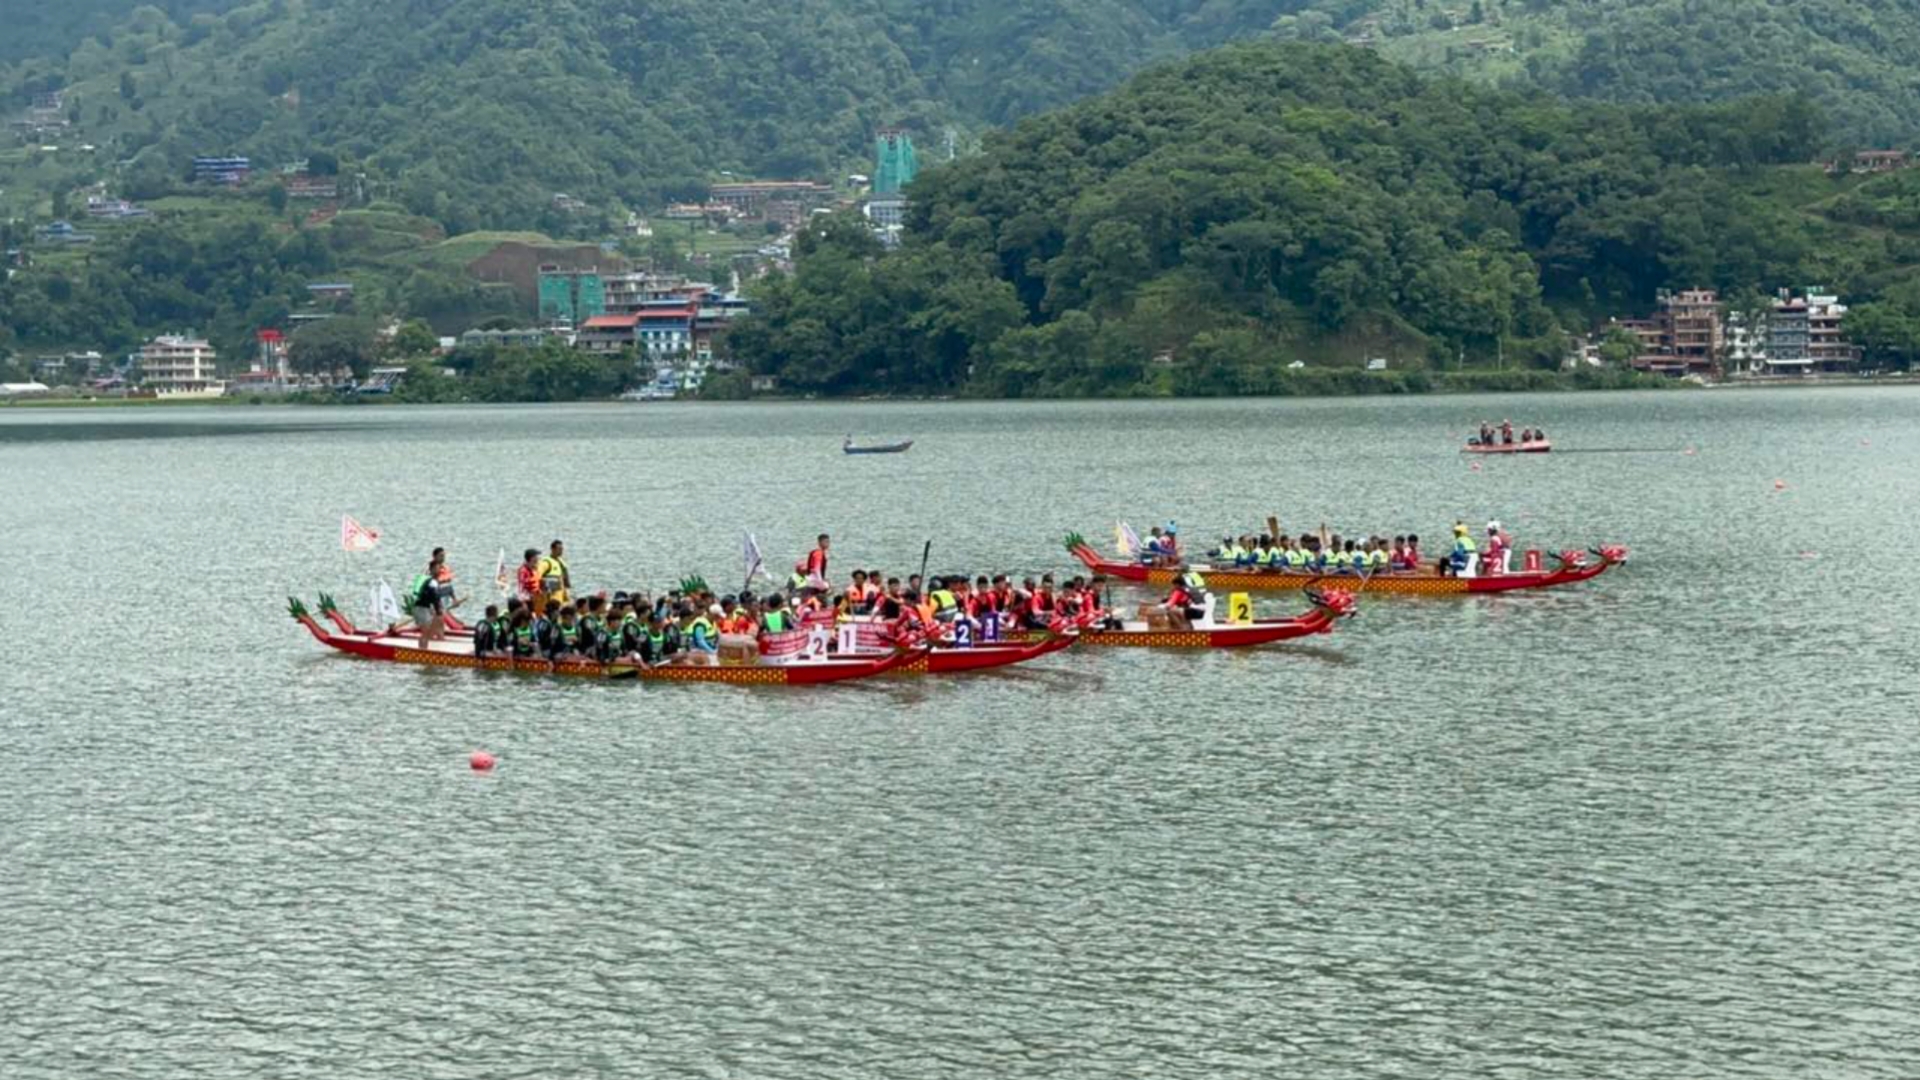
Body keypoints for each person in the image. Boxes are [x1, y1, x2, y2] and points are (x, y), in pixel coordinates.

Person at [407, 550, 449, 644]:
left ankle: (438, 640)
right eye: (438, 568)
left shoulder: (431, 580)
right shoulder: (432, 581)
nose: (440, 570)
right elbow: (435, 596)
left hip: (423, 607)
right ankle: (423, 650)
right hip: (421, 608)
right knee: (426, 633)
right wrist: (438, 610)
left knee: (430, 629)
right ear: (433, 569)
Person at [536, 540, 571, 607]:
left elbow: (565, 580)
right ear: (552, 549)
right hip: (552, 599)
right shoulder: (546, 562)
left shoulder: (561, 561)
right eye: (559, 549)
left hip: (562, 597)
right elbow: (538, 576)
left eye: (562, 549)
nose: (561, 551)